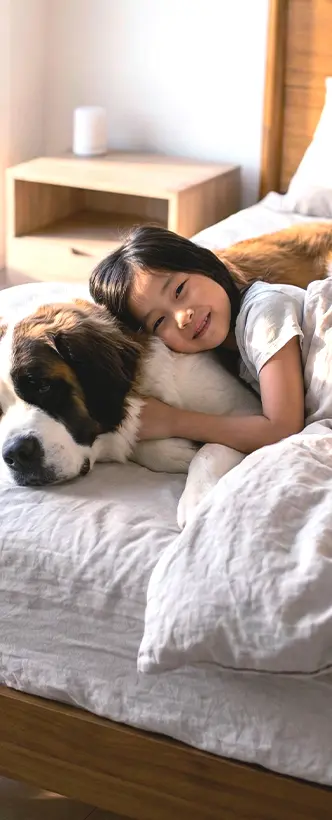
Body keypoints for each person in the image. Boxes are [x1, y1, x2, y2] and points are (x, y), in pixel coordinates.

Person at [89, 225, 306, 455]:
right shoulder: (228, 349)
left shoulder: (265, 311)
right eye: (160, 321)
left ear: (204, 265)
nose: (183, 317)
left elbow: (282, 429)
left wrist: (172, 422)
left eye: (179, 290)